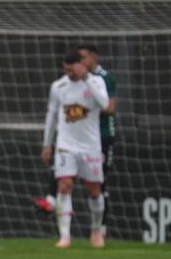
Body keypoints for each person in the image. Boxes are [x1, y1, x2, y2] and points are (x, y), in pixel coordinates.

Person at [32, 45, 116, 232]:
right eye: (66, 69)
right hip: (66, 145)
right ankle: (64, 236)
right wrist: (47, 144)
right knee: (65, 185)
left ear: (82, 65)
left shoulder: (96, 81)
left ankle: (97, 229)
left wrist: (86, 78)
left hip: (91, 145)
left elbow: (104, 104)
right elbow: (51, 116)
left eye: (73, 68)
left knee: (94, 190)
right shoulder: (58, 86)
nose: (70, 72)